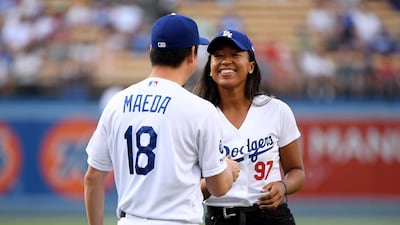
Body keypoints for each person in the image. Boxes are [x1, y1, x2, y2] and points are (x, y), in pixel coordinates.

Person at [84, 13, 240, 225]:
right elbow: (218, 187)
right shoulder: (201, 110)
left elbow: (93, 178)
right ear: (192, 54)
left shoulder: (116, 102)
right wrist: (229, 171)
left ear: (151, 51)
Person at [193, 29, 305, 225]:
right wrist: (218, 179)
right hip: (220, 218)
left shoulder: (276, 110)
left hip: (272, 217)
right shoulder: (196, 116)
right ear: (210, 68)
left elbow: (297, 172)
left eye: (235, 55)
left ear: (251, 66)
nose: (226, 61)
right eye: (218, 56)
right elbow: (187, 191)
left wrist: (283, 186)